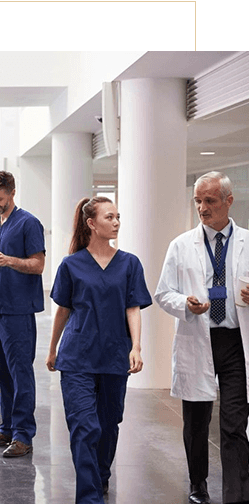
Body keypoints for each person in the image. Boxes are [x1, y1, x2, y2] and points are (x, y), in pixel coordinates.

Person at [46, 197, 152, 503]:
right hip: (77, 356)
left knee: (108, 425)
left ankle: (100, 474)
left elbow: (133, 308)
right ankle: (89, 497)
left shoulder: (129, 263)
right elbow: (63, 311)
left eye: (118, 216)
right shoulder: (71, 264)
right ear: (91, 223)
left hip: (115, 355)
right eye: (110, 217)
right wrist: (52, 349)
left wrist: (137, 347)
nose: (116, 222)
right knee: (84, 426)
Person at [155, 171, 249, 504]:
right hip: (199, 338)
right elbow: (163, 293)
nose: (202, 208)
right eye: (198, 201)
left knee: (235, 423)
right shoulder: (181, 246)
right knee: (196, 422)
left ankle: (237, 494)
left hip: (236, 342)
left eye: (209, 200)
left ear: (228, 201)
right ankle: (198, 485)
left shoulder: (248, 242)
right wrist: (185, 304)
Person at [0, 170, 45, 458]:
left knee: (20, 372)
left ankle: (24, 435)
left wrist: (11, 261)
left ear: (12, 193)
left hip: (17, 309)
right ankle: (7, 429)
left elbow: (38, 264)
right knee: (0, 371)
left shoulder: (29, 223)